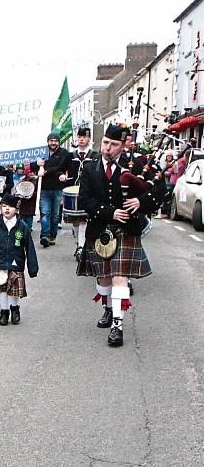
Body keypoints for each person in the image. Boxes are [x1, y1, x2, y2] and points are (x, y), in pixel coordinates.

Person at [76, 123, 163, 347]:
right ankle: (108, 308)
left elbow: (159, 189)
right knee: (104, 278)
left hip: (126, 230)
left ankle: (117, 324)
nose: (108, 148)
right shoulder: (90, 168)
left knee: (119, 278)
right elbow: (84, 200)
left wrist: (141, 201)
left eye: (114, 144)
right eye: (105, 142)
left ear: (123, 146)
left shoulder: (136, 166)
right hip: (100, 229)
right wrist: (110, 212)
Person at [0, 193, 38, 326]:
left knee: (14, 290)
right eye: (4, 206)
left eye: (10, 207)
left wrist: (33, 268)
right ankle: (4, 312)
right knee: (3, 289)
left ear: (16, 210)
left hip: (16, 263)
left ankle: (15, 308)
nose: (7, 209)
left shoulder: (22, 227)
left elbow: (29, 247)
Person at [65, 127, 99, 261]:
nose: (81, 139)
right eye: (79, 137)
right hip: (72, 191)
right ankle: (78, 242)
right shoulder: (70, 155)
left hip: (88, 192)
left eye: (84, 137)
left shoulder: (95, 155)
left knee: (83, 219)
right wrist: (62, 175)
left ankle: (81, 247)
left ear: (89, 139)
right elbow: (62, 169)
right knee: (75, 220)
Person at [32, 132, 71, 247]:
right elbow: (32, 166)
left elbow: (60, 167)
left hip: (57, 188)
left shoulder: (64, 153)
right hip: (43, 188)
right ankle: (44, 236)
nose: (53, 143)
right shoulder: (41, 152)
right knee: (45, 213)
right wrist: (37, 163)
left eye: (55, 141)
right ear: (48, 141)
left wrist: (46, 171)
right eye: (51, 141)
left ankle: (52, 236)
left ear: (59, 142)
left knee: (55, 215)